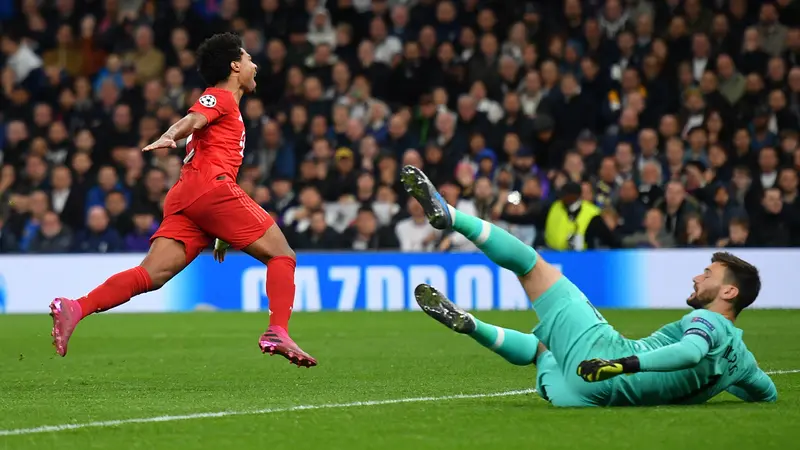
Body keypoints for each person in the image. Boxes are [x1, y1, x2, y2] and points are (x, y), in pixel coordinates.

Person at [399, 165, 777, 406]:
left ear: (730, 293)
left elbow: (691, 353)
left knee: (532, 266)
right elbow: (767, 392)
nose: (697, 276)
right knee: (543, 350)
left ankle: (452, 216)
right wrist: (726, 380)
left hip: (605, 361)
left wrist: (622, 363)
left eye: (708, 274)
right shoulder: (740, 360)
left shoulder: (710, 324)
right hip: (579, 394)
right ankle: (471, 325)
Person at [49, 33, 317, 367]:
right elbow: (194, 118)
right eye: (248, 58)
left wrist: (221, 231)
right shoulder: (221, 98)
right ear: (235, 65)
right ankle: (277, 329)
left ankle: (75, 307)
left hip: (186, 198)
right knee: (282, 255)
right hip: (210, 190)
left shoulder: (227, 107)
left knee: (151, 275)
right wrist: (168, 135)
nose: (254, 64)